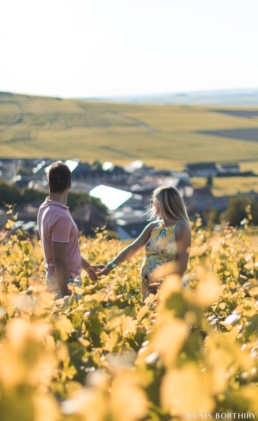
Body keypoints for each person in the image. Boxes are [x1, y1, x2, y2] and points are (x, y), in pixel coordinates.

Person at [99, 186, 191, 300]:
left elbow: (182, 265)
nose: (152, 204)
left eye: (154, 201)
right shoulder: (153, 227)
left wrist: (163, 286)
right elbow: (132, 248)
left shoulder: (181, 228)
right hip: (149, 288)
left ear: (162, 203)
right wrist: (109, 267)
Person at [37, 161, 102, 298]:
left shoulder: (46, 208)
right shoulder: (61, 217)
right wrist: (66, 295)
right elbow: (59, 261)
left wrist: (87, 267)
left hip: (57, 278)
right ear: (69, 185)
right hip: (65, 281)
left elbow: (67, 251)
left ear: (49, 185)